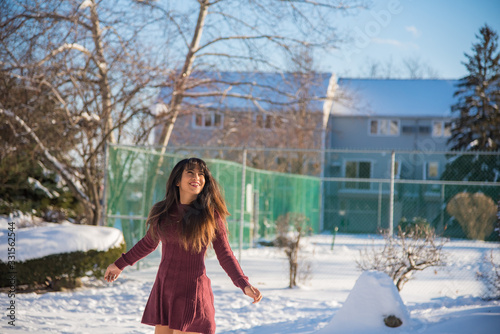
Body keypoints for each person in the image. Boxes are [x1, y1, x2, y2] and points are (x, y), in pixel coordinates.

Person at [104, 157, 262, 334]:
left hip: (192, 292)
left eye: (201, 174)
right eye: (191, 173)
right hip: (165, 289)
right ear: (177, 181)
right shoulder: (162, 212)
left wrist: (243, 283)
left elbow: (225, 254)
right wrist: (119, 265)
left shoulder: (210, 216)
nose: (197, 177)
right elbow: (148, 243)